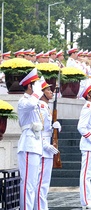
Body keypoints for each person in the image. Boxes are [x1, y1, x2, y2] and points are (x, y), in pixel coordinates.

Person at [17, 68, 44, 210]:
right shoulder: (24, 101)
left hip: (36, 144)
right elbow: (31, 105)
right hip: (28, 145)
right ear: (29, 86)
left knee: (33, 184)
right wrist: (37, 92)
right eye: (35, 83)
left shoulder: (34, 100)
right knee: (27, 183)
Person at [38, 81, 61, 210]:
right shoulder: (40, 106)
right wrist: (45, 144)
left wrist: (55, 127)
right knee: (41, 181)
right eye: (48, 90)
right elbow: (37, 129)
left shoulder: (46, 106)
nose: (51, 92)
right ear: (42, 93)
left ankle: (43, 205)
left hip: (48, 144)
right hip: (43, 145)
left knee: (45, 181)